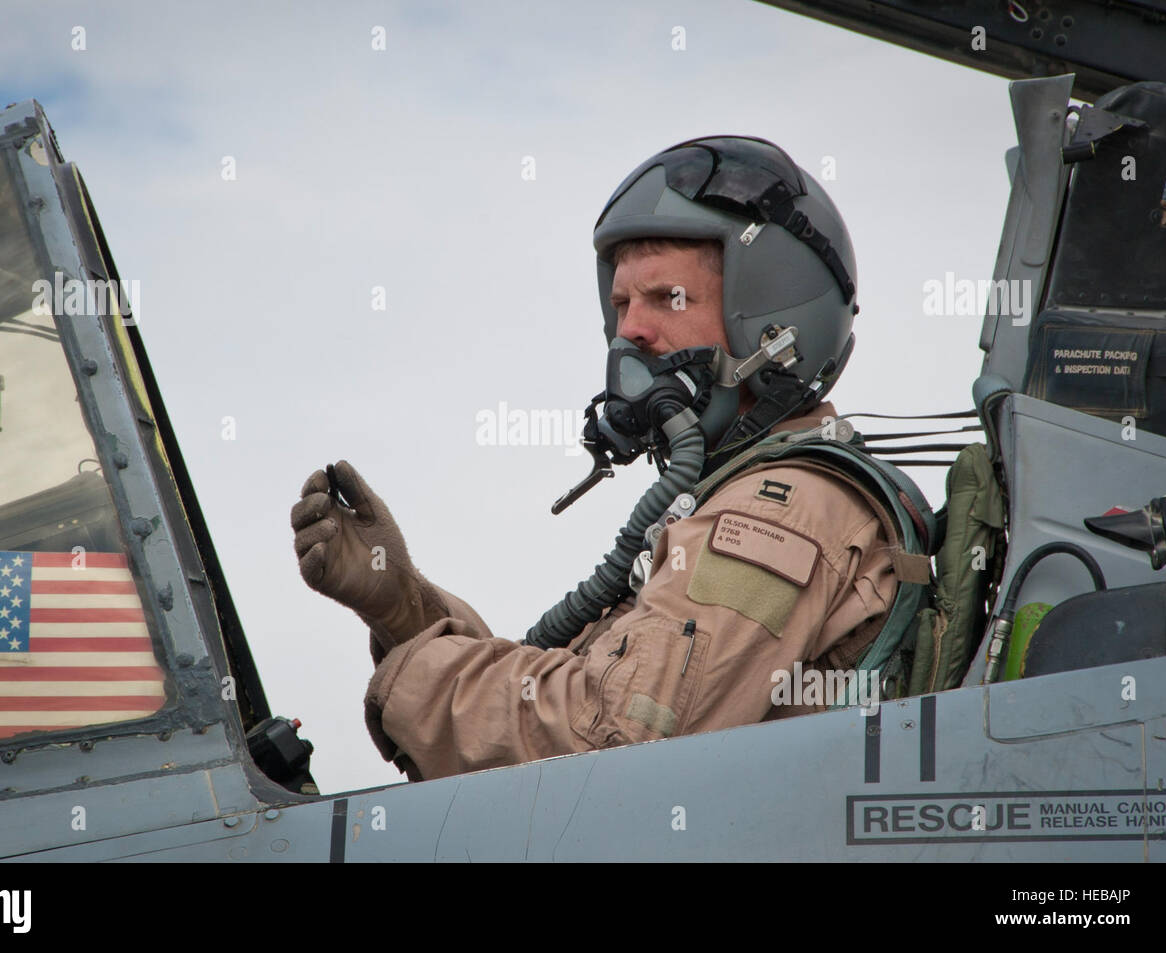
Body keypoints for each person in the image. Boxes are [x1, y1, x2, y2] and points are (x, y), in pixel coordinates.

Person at [292, 137, 902, 782]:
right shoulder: (734, 499)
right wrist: (402, 610)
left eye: (666, 298)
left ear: (777, 330)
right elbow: (569, 699)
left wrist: (411, 676)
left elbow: (614, 738)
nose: (628, 332)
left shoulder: (785, 509)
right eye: (620, 305)